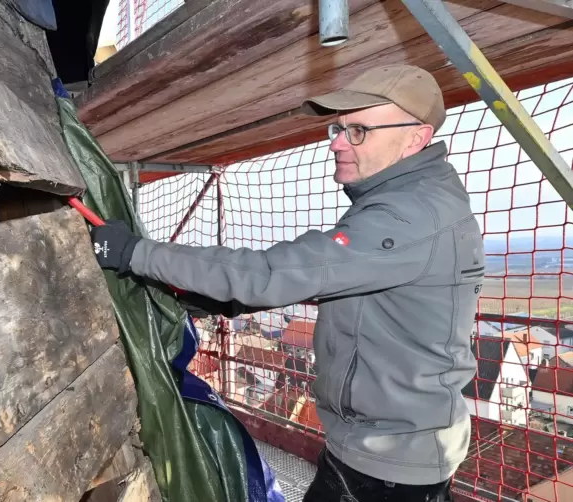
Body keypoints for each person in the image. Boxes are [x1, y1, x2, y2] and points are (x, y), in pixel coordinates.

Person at [89, 64, 483, 501]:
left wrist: (133, 253)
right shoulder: (408, 202)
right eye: (337, 128)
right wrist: (227, 303)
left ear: (416, 138)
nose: (335, 143)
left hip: (390, 468)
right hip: (379, 452)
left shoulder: (410, 216)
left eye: (358, 131)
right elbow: (340, 281)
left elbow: (274, 273)